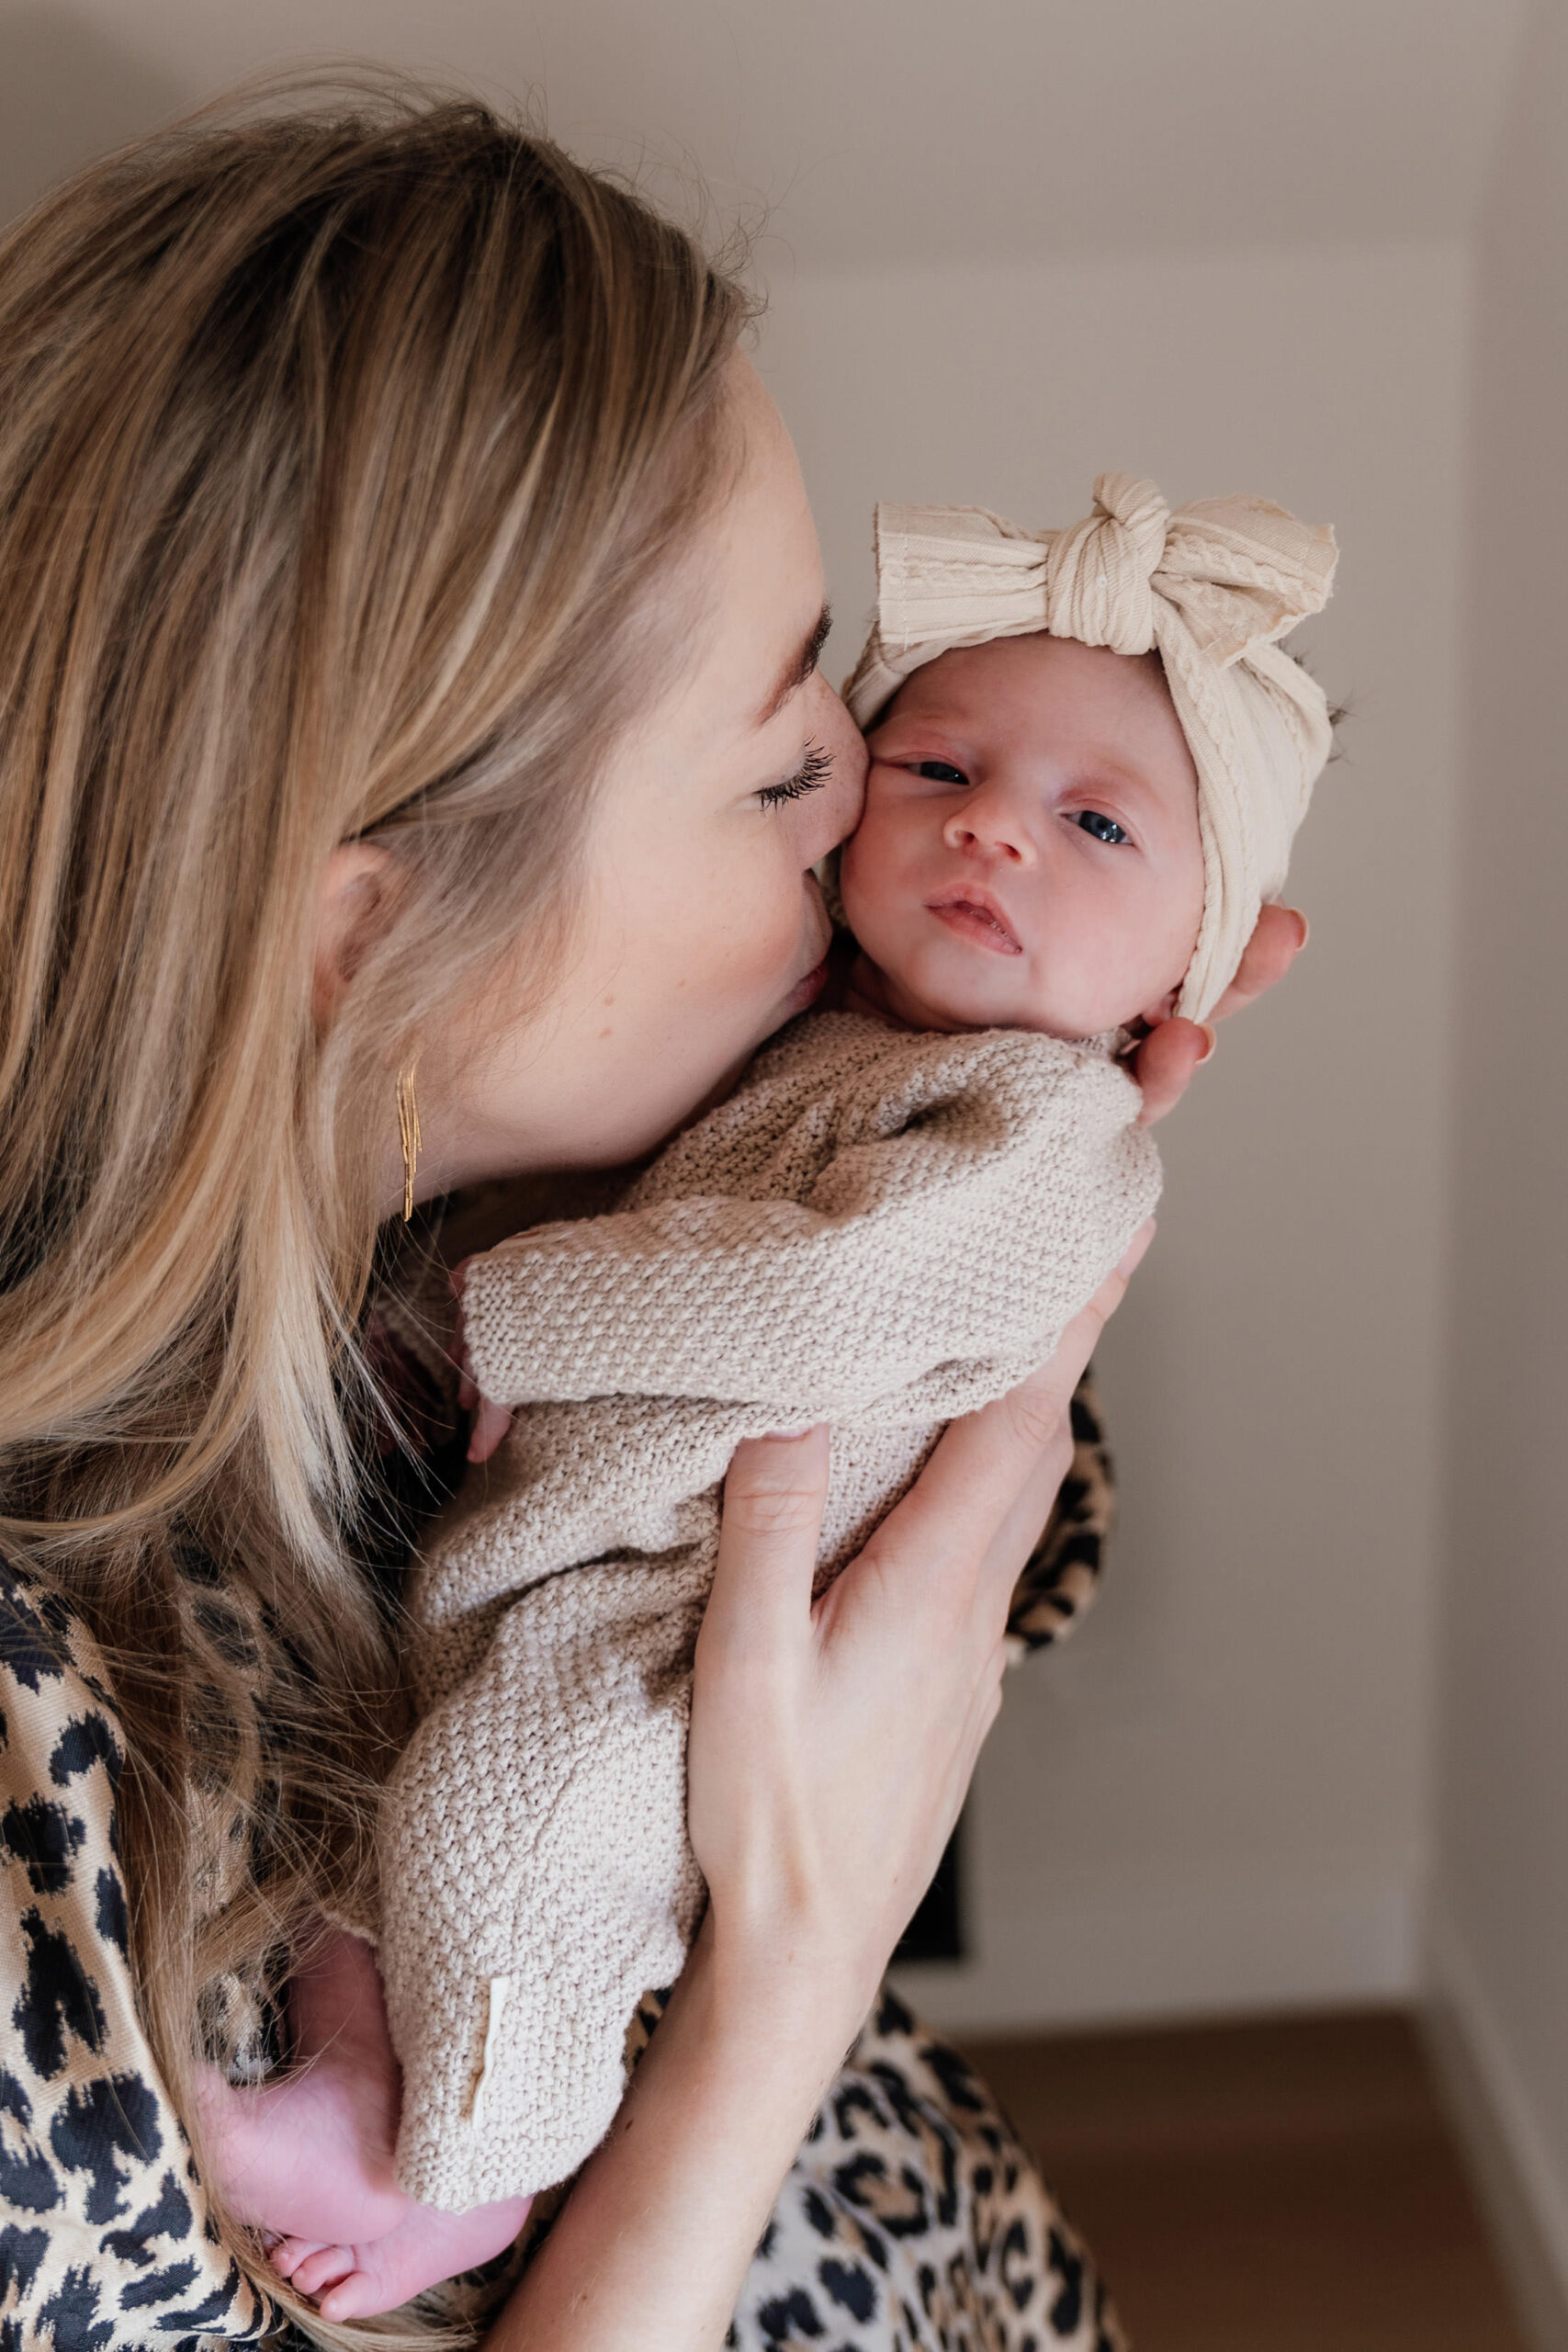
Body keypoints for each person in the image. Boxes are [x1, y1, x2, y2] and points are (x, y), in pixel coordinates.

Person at [0, 85, 1305, 2352]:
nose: (870, 780)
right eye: (780, 756)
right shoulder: (49, 1842)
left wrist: (997, 1170)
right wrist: (781, 1989)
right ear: (363, 938)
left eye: (842, 678)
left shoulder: (444, 1223)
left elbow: (988, 1541)